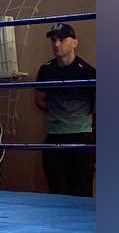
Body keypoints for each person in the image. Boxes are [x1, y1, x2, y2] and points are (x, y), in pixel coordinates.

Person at [34, 22, 96, 196]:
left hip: (81, 137)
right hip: (55, 136)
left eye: (62, 39)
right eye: (53, 40)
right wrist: (61, 113)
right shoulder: (46, 70)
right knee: (57, 192)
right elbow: (39, 100)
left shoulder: (87, 72)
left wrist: (75, 117)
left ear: (74, 42)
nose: (56, 44)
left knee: (82, 192)